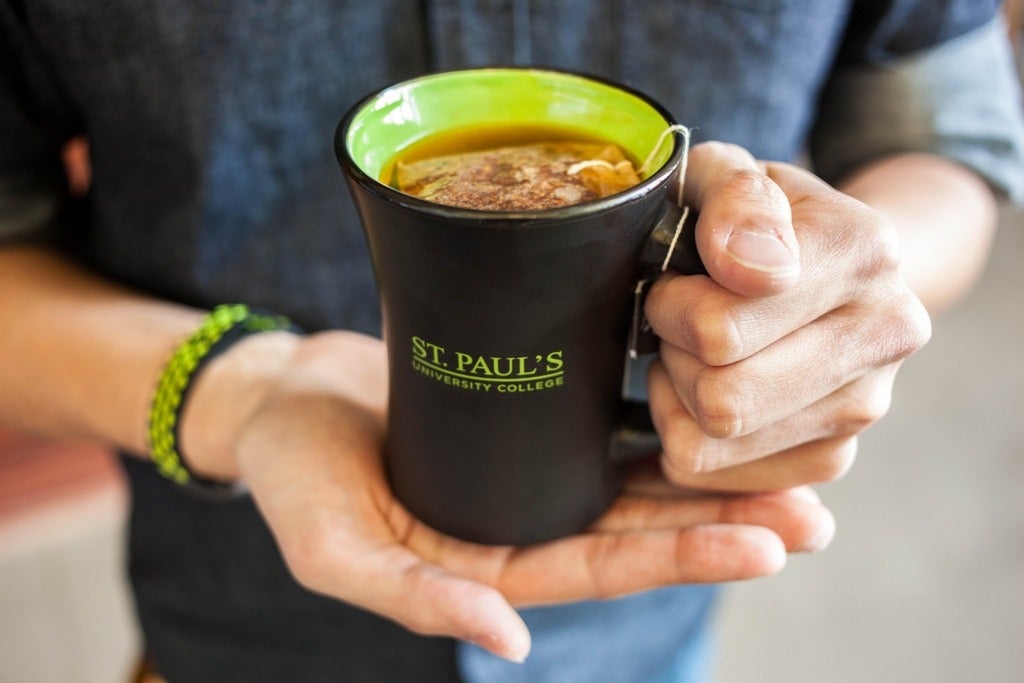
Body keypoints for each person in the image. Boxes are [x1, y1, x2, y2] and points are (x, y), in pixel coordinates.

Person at [1, 1, 1021, 681]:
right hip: (236, 620)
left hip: (644, 624)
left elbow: (939, 123)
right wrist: (243, 391)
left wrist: (811, 308)